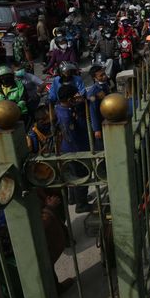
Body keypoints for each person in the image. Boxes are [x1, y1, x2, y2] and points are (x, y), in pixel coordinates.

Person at [55, 85, 92, 213]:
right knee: (81, 175)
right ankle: (81, 204)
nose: (77, 98)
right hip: (75, 149)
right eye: (75, 96)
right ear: (69, 99)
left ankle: (73, 198)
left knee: (72, 175)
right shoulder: (67, 116)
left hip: (68, 149)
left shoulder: (61, 108)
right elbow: (72, 135)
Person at [86, 64, 111, 149]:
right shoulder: (94, 91)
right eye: (101, 75)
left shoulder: (106, 84)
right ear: (95, 78)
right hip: (101, 121)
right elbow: (93, 111)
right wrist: (97, 129)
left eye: (104, 74)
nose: (104, 77)